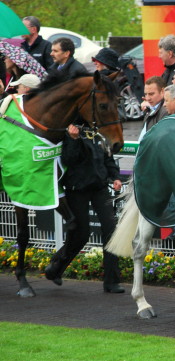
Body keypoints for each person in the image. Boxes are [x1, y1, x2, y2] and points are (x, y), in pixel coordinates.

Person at [44, 124, 124, 293]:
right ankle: (56, 268)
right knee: (81, 234)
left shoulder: (99, 131)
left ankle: (112, 281)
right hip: (77, 189)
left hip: (100, 188)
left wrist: (115, 177)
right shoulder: (70, 130)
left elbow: (108, 158)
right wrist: (72, 139)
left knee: (111, 230)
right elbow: (68, 160)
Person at [138, 76, 168, 141]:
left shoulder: (166, 111)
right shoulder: (150, 109)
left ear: (162, 91)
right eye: (146, 94)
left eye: (151, 94)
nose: (148, 98)